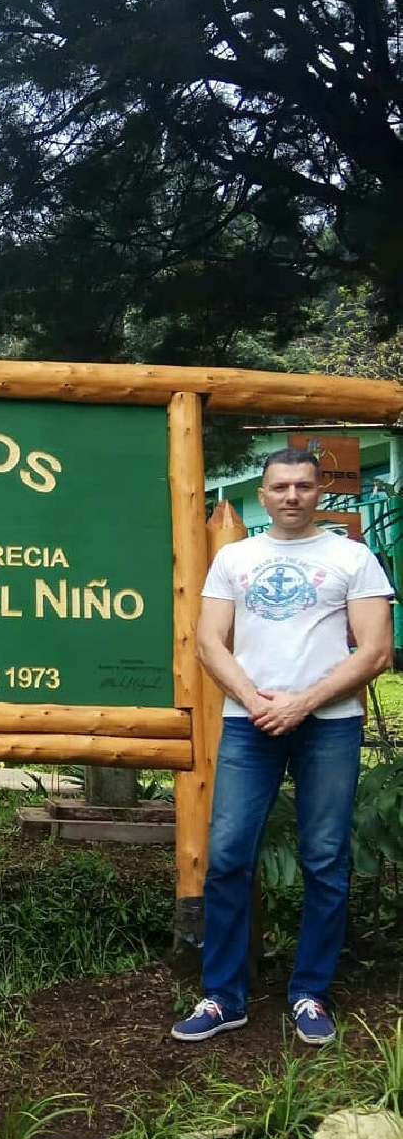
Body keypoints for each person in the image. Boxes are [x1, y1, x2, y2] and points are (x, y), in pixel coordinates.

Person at [171, 447, 394, 1046]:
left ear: (321, 490)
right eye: (279, 487)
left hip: (330, 724)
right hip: (250, 722)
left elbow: (375, 651)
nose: (291, 495)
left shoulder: (353, 557)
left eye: (302, 485)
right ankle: (223, 997)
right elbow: (210, 643)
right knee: (228, 857)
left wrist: (303, 702)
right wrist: (258, 698)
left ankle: (310, 993)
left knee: (325, 859)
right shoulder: (235, 559)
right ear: (263, 494)